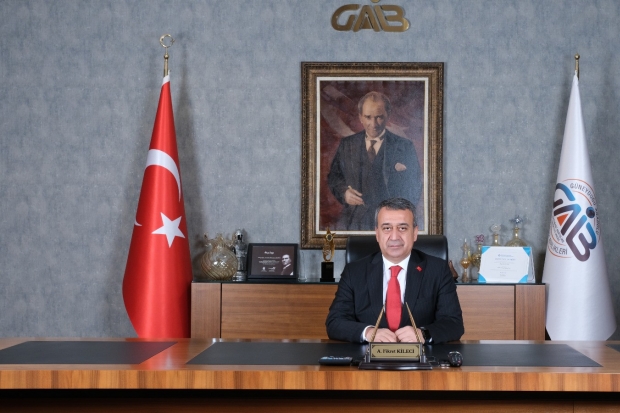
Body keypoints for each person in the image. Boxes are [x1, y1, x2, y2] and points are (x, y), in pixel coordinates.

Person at [325, 197, 464, 344]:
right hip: (368, 356)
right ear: (377, 233)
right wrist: (368, 332)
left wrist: (423, 334)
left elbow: (453, 323)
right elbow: (335, 322)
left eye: (402, 228)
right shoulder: (354, 272)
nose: (394, 236)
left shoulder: (437, 270)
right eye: (387, 228)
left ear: (415, 233)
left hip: (420, 356)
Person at [327, 91, 422, 230]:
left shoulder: (404, 147)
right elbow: (334, 177)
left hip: (391, 224)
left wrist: (397, 216)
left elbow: (415, 186)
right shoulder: (347, 145)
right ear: (360, 117)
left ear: (388, 115)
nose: (373, 124)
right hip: (353, 223)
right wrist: (344, 193)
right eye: (368, 117)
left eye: (379, 117)